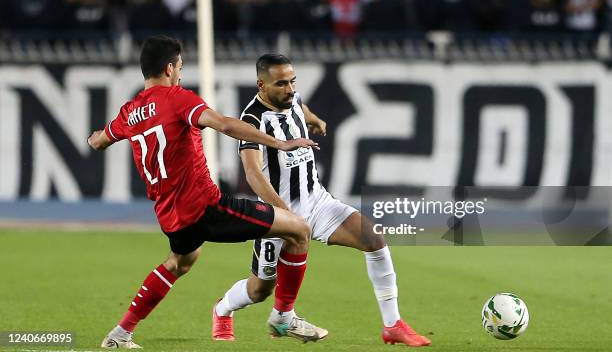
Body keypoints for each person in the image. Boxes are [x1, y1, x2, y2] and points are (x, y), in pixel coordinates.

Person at [88, 36, 319, 349]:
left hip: (171, 215)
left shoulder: (129, 112)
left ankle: (120, 333)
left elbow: (101, 139)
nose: (181, 73)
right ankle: (284, 316)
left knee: (178, 263)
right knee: (299, 229)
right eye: (180, 67)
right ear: (169, 68)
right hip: (206, 206)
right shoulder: (178, 98)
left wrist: (94, 140)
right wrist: (278, 142)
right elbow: (223, 124)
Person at [212, 54, 432, 347]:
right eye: (281, 83)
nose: (289, 88)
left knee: (374, 240)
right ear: (261, 85)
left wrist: (315, 119)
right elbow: (252, 174)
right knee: (259, 289)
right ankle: (222, 309)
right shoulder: (252, 120)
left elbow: (300, 106)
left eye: (292, 81)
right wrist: (282, 211)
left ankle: (392, 325)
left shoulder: (292, 98)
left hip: (316, 201)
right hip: (278, 211)